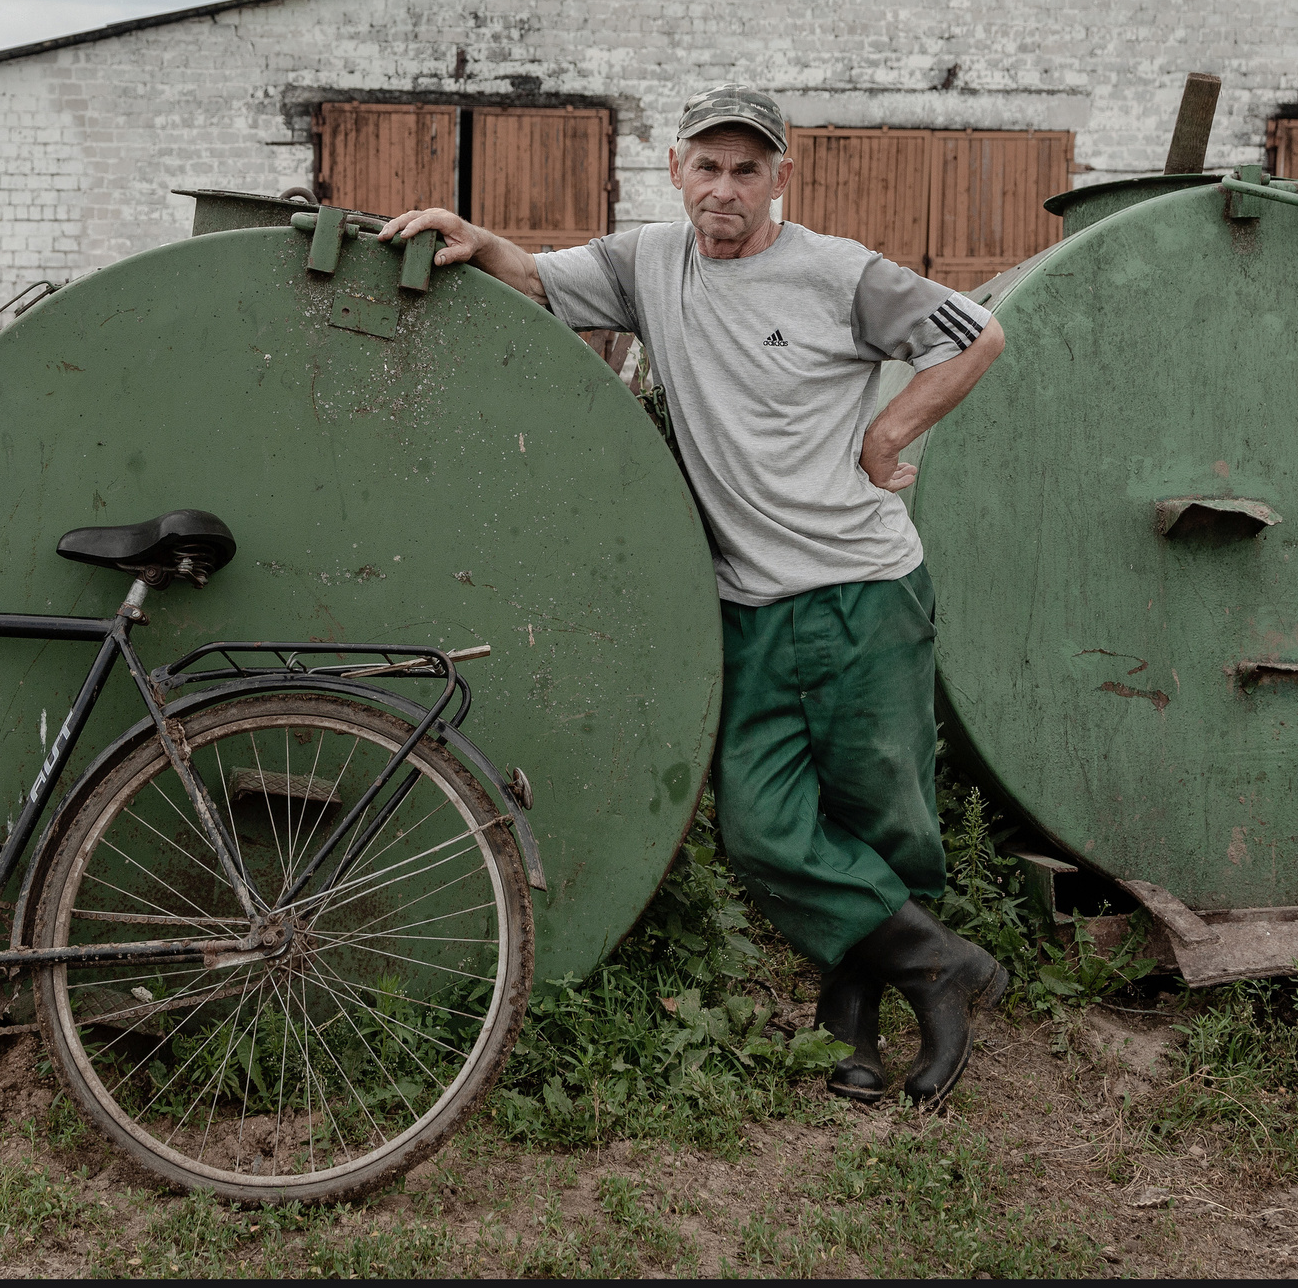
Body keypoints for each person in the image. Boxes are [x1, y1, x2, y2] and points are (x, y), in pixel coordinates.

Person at [378, 83, 1010, 1102]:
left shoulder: (838, 272)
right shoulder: (647, 263)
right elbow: (536, 279)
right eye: (707, 166)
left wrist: (889, 432)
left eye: (746, 169)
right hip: (748, 604)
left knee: (883, 817)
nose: (725, 188)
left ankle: (855, 1020)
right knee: (761, 830)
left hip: (863, 589)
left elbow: (976, 332)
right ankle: (941, 966)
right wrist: (473, 234)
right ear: (675, 169)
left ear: (780, 178)